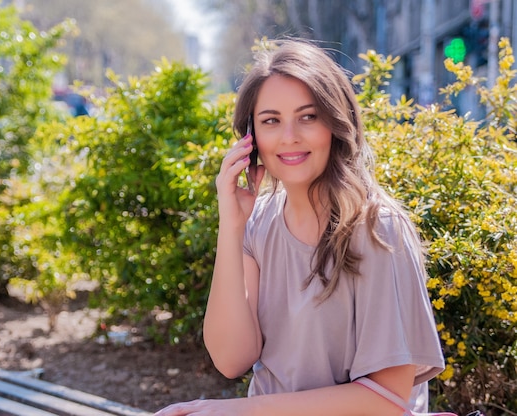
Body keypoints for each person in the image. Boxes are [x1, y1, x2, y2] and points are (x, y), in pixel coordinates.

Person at [155, 39, 445, 415]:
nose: (289, 135)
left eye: (308, 116)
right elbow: (231, 359)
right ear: (251, 139)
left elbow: (386, 401)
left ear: (336, 123)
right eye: (271, 121)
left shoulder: (377, 229)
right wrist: (232, 224)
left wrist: (231, 412)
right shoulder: (260, 221)